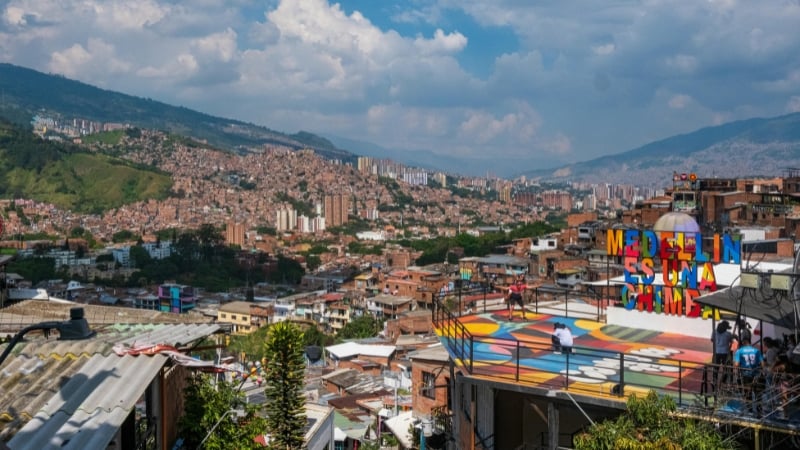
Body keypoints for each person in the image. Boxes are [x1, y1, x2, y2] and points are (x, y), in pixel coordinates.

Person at [733, 337, 765, 416]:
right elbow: (762, 363)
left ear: (743, 342)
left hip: (746, 375)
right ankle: (759, 410)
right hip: (756, 374)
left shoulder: (739, 351)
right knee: (758, 393)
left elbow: (736, 364)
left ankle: (750, 410)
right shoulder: (756, 351)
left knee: (748, 392)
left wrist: (736, 372)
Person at [711, 320, 735, 390]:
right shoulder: (728, 334)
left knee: (715, 368)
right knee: (726, 369)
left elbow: (712, 340)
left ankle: (714, 381)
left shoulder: (714, 332)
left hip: (717, 352)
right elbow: (731, 341)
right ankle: (723, 381)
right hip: (725, 353)